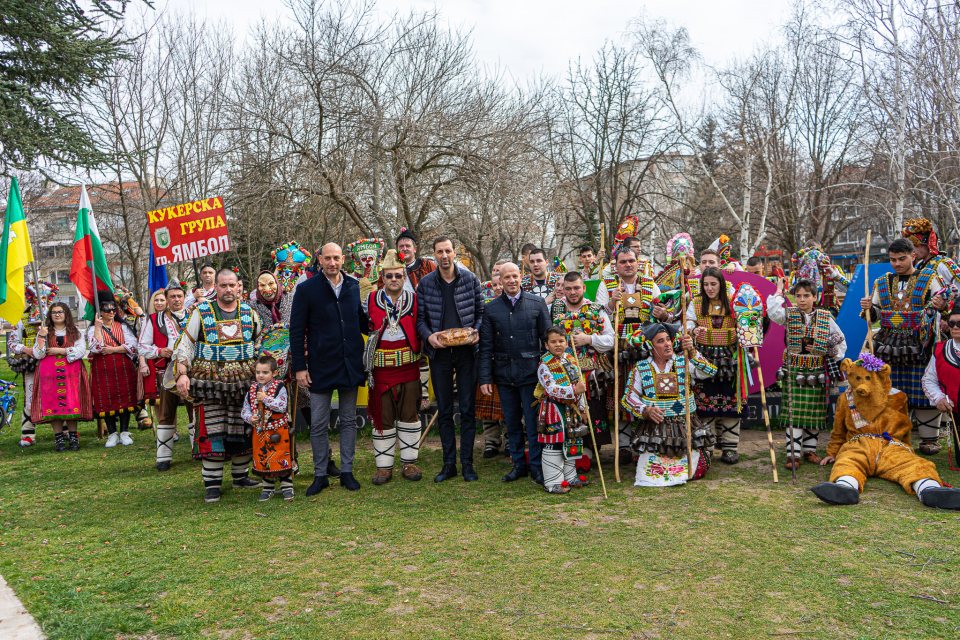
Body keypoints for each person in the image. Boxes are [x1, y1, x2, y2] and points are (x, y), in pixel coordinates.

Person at [812, 353, 960, 510]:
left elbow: (905, 425)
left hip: (891, 444)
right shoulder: (846, 398)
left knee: (913, 464)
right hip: (858, 444)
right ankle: (846, 487)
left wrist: (907, 447)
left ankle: (930, 489)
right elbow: (839, 430)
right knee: (847, 461)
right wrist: (833, 452)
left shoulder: (898, 396)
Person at [174, 268, 263, 503]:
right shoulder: (202, 312)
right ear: (217, 287)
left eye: (232, 285)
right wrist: (182, 373)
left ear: (238, 286)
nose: (228, 289)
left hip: (244, 381)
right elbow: (186, 344)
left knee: (242, 426)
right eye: (223, 285)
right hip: (209, 382)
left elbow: (261, 343)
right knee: (213, 428)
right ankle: (212, 484)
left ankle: (240, 476)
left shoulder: (249, 313)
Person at [290, 243, 367, 495]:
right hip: (320, 365)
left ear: (343, 259)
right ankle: (320, 474)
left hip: (349, 363)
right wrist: (300, 368)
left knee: (348, 421)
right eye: (327, 258)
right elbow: (296, 330)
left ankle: (347, 471)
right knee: (320, 423)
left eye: (336, 258)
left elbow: (362, 321)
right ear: (319, 260)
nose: (332, 262)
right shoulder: (306, 289)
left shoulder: (355, 286)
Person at [860, 238, 947, 454]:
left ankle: (929, 439)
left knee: (922, 391)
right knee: (892, 391)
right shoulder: (882, 282)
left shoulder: (929, 278)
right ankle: (895, 436)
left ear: (912, 256)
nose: (897, 263)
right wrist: (869, 309)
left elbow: (946, 302)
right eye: (893, 259)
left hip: (920, 343)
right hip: (889, 344)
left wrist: (942, 304)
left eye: (901, 259)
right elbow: (876, 315)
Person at [416, 236, 484, 482]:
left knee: (467, 409)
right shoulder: (425, 283)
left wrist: (475, 331)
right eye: (439, 252)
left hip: (467, 352)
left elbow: (480, 312)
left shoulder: (470, 279)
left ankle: (467, 463)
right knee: (444, 409)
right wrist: (428, 336)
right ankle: (448, 464)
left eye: (448, 251)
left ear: (455, 253)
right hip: (439, 353)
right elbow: (420, 320)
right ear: (434, 255)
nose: (444, 256)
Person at [479, 262, 552, 484]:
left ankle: (537, 467)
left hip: (531, 375)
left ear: (522, 277)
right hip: (504, 375)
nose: (511, 280)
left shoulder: (537, 303)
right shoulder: (490, 308)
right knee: (511, 424)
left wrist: (548, 373)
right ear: (499, 280)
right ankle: (518, 465)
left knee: (532, 424)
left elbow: (547, 341)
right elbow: (486, 347)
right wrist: (484, 378)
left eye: (515, 276)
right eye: (506, 277)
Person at [620, 322, 718, 486]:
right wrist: (646, 410)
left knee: (696, 468)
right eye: (660, 341)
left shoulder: (684, 361)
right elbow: (628, 398)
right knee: (650, 468)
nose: (667, 344)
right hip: (654, 428)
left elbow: (709, 372)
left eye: (668, 340)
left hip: (685, 425)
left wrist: (693, 351)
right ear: (651, 347)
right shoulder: (641, 367)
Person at [603, 247, 671, 462]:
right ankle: (623, 446)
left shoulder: (651, 285)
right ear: (616, 265)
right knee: (621, 394)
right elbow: (598, 316)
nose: (628, 265)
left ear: (638, 262)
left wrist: (664, 314)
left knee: (649, 392)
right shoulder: (607, 285)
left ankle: (647, 439)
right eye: (623, 261)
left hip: (646, 349)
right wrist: (612, 303)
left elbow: (665, 314)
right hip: (620, 349)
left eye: (631, 260)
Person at [771, 278, 847, 468]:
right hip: (794, 370)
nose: (802, 300)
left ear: (815, 296)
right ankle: (793, 454)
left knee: (814, 411)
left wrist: (823, 347)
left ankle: (809, 451)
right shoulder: (788, 315)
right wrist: (779, 290)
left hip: (817, 370)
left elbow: (841, 342)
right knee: (794, 413)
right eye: (798, 296)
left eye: (806, 296)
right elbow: (772, 312)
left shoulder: (824, 317)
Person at [364, 250, 423, 485]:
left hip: (409, 364)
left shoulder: (415, 299)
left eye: (398, 275)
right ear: (383, 277)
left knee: (409, 415)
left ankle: (409, 463)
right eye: (389, 276)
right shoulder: (370, 300)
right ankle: (384, 467)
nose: (394, 280)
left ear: (404, 276)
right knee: (383, 416)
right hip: (381, 367)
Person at [686, 267, 752, 464]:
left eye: (713, 284)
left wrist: (744, 327)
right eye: (705, 284)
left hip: (730, 357)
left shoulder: (733, 301)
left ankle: (730, 448)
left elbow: (747, 321)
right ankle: (708, 447)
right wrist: (692, 330)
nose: (709, 288)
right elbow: (687, 322)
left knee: (732, 402)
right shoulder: (696, 302)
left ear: (721, 284)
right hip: (704, 358)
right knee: (705, 404)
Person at [551, 271, 615, 458]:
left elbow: (610, 340)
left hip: (591, 369)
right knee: (567, 406)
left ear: (584, 288)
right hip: (562, 369)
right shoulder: (555, 308)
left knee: (592, 407)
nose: (572, 292)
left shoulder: (596, 310)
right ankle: (568, 447)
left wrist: (589, 339)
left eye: (576, 288)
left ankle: (590, 449)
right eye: (568, 288)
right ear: (563, 289)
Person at [138, 283, 192, 471]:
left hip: (193, 371)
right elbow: (142, 347)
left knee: (195, 411)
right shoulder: (153, 319)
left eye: (179, 296)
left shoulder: (196, 315)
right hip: (168, 371)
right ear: (166, 299)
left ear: (184, 297)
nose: (176, 299)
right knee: (166, 413)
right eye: (172, 296)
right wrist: (160, 351)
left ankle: (197, 451)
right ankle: (163, 456)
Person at [537, 326, 592, 494]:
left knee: (572, 440)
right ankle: (553, 482)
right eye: (553, 342)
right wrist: (573, 390)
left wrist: (583, 409)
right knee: (554, 443)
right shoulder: (544, 365)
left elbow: (580, 386)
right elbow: (550, 389)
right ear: (546, 345)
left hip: (572, 409)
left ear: (566, 343)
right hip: (554, 408)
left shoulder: (571, 359)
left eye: (561, 341)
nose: (557, 345)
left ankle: (569, 476)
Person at [30, 303, 92, 451]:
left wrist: (62, 351)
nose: (57, 315)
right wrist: (41, 338)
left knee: (71, 404)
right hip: (49, 374)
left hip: (71, 373)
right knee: (54, 405)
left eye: (60, 312)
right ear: (50, 316)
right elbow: (38, 354)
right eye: (54, 312)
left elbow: (81, 350)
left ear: (66, 314)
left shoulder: (75, 331)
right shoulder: (43, 332)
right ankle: (59, 439)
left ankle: (73, 438)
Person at [88, 291, 141, 448]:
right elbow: (95, 347)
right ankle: (112, 434)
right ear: (100, 312)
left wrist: (113, 349)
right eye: (106, 310)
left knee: (125, 396)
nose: (110, 312)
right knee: (106, 399)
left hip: (122, 367)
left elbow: (133, 346)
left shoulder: (122, 326)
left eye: (113, 310)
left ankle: (124, 432)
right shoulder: (92, 329)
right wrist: (98, 329)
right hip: (102, 369)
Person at [7, 280, 56, 447]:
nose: (40, 302)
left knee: (58, 395)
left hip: (54, 363)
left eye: (43, 297)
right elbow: (12, 343)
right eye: (37, 298)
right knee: (30, 397)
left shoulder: (56, 318)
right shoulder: (22, 319)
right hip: (31, 365)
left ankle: (64, 431)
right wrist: (27, 350)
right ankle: (28, 433)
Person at [242, 355, 294, 502]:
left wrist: (265, 399)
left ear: (274, 373)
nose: (261, 375)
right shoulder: (252, 389)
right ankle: (268, 488)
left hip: (277, 429)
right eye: (258, 372)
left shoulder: (280, 386)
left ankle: (287, 487)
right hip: (259, 431)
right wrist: (250, 418)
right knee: (263, 459)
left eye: (265, 372)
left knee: (281, 457)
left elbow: (282, 406)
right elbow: (245, 410)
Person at [923, 302, 960, 462]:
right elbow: (928, 380)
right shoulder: (941, 350)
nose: (955, 327)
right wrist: (939, 398)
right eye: (952, 323)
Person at [477, 271, 507, 458]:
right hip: (488, 360)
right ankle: (491, 441)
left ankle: (511, 440)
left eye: (500, 284)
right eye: (494, 285)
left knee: (509, 405)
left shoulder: (514, 303)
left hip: (507, 361)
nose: (498, 288)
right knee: (487, 403)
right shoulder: (485, 307)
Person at [138, 290, 166, 424]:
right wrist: (142, 364)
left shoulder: (170, 319)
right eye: (156, 300)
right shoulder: (148, 320)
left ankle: (174, 429)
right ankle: (162, 427)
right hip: (152, 361)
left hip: (168, 360)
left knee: (169, 398)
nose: (159, 303)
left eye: (162, 300)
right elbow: (142, 344)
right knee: (156, 398)